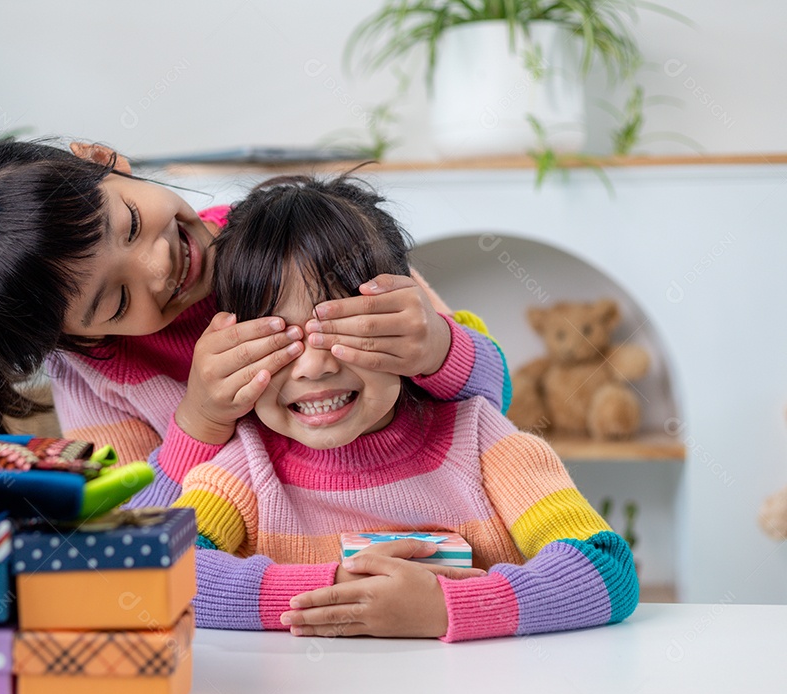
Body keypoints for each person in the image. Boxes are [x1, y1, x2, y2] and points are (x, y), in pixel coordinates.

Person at [133, 174, 638, 641]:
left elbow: (607, 569)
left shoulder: (482, 442)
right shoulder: (245, 466)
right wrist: (335, 592)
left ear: (400, 328)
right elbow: (158, 566)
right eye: (276, 339)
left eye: (339, 328)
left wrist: (447, 607)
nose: (312, 366)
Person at [0, 139, 509, 472]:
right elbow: (138, 528)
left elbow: (495, 397)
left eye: (133, 222)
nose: (158, 266)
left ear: (103, 160)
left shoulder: (293, 240)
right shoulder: (94, 373)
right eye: (116, 301)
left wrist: (438, 348)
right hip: (262, 590)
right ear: (73, 338)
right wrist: (199, 421)